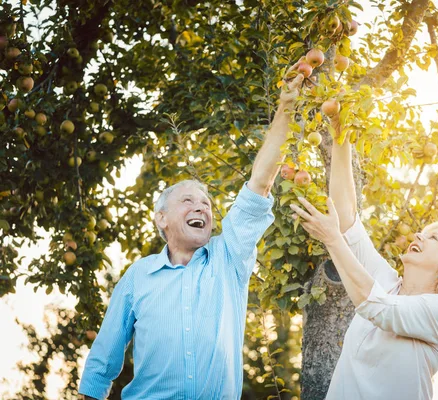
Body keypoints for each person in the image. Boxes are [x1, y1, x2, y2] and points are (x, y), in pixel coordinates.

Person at [78, 71, 305, 400]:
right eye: (187, 201)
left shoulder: (229, 256)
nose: (201, 208)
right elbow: (103, 361)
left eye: (206, 203)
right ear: (162, 219)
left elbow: (260, 183)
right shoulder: (138, 276)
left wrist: (286, 107)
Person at [290, 117, 438, 400]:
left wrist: (332, 239)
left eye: (432, 238)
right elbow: (347, 222)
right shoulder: (387, 282)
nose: (418, 236)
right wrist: (341, 135)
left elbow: (375, 306)